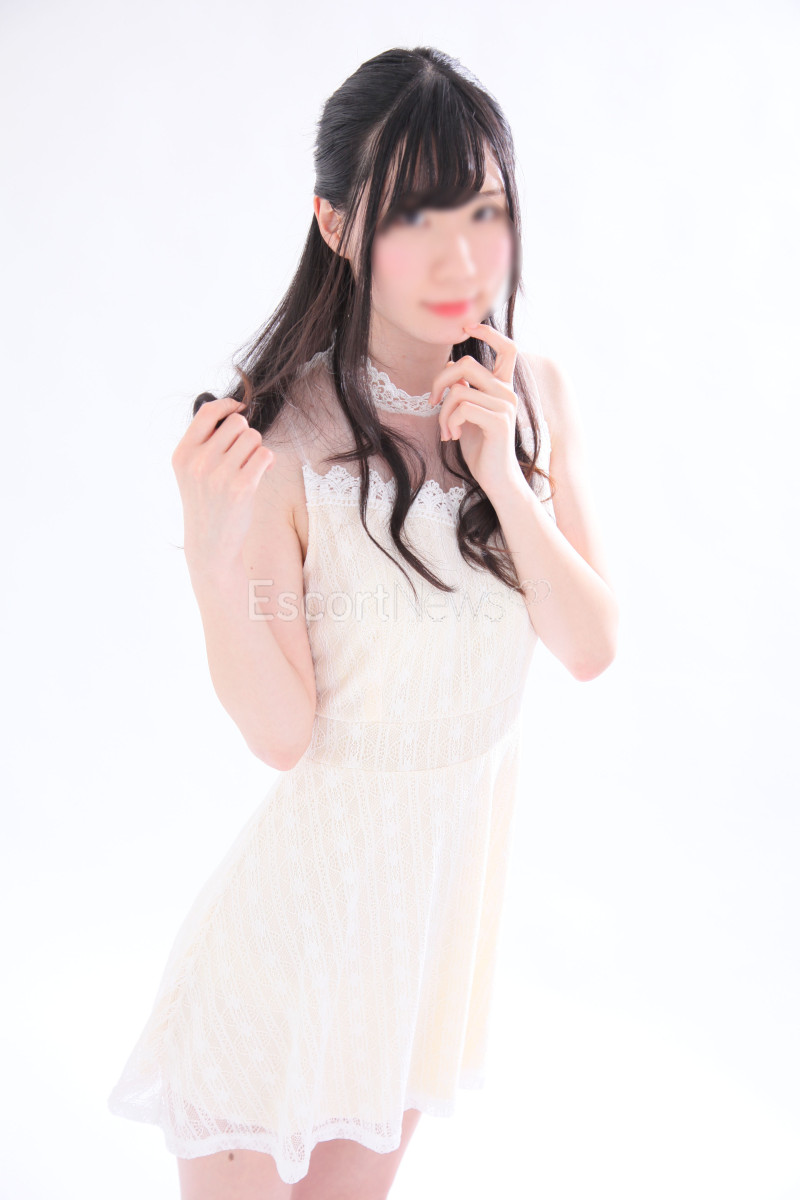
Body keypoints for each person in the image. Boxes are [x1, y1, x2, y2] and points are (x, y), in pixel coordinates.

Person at [107, 44, 619, 1200]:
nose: (458, 256)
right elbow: (283, 733)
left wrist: (501, 472)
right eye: (413, 217)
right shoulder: (285, 442)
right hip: (281, 956)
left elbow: (590, 645)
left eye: (480, 210)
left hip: (412, 960)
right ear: (336, 228)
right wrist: (211, 556)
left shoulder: (533, 396)